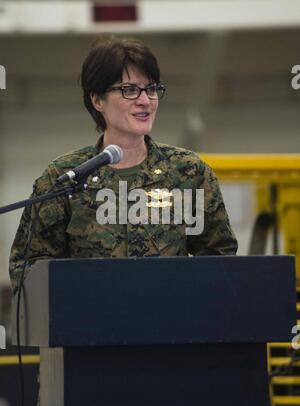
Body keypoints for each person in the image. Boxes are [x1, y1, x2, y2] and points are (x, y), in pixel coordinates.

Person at [9, 35, 237, 295]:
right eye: (129, 90)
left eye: (151, 89)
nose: (145, 100)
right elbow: (28, 267)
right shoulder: (64, 178)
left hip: (171, 327)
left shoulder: (188, 172)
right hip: (89, 328)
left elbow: (220, 257)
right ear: (97, 100)